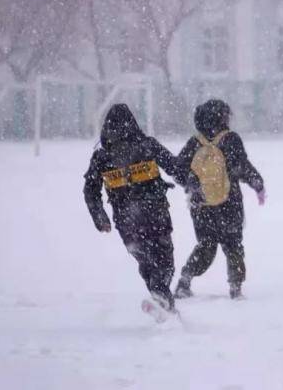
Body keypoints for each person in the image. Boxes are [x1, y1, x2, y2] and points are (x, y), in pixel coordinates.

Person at [83, 104, 182, 314]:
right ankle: (161, 298)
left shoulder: (101, 157)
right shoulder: (148, 145)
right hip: (156, 215)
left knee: (145, 263)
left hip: (126, 221)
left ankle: (163, 304)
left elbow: (90, 190)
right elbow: (175, 167)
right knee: (165, 262)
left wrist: (100, 217)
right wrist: (194, 183)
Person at [174, 99, 265, 300]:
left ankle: (185, 280)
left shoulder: (194, 142)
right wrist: (257, 183)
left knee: (206, 244)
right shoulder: (230, 139)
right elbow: (242, 166)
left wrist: (192, 184)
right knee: (233, 244)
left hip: (201, 204)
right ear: (221, 117)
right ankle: (235, 287)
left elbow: (178, 169)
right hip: (229, 201)